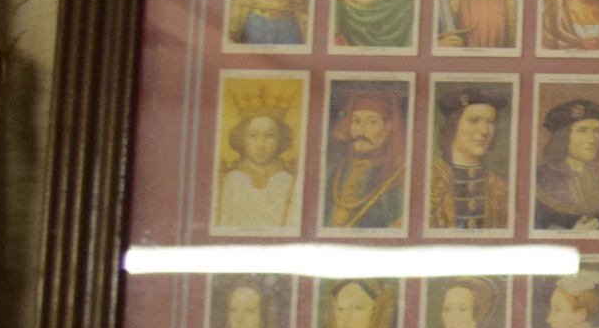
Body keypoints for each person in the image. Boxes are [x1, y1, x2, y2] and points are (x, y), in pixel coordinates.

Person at [319, 87, 406, 231]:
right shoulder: (334, 168)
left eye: (372, 122)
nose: (361, 130)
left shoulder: (395, 176)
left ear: (389, 128)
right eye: (356, 121)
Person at [427, 86, 507, 233]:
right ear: (453, 125)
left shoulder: (499, 186)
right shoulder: (430, 179)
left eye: (491, 122)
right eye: (474, 120)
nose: (484, 131)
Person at [531, 97, 599, 233]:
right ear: (563, 136)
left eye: (597, 131)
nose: (593, 139)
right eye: (583, 131)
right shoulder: (539, 178)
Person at [215, 106, 300, 232]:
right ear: (241, 138)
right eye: (253, 136)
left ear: (281, 139)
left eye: (270, 136)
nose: (260, 145)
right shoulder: (227, 181)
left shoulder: (291, 182)